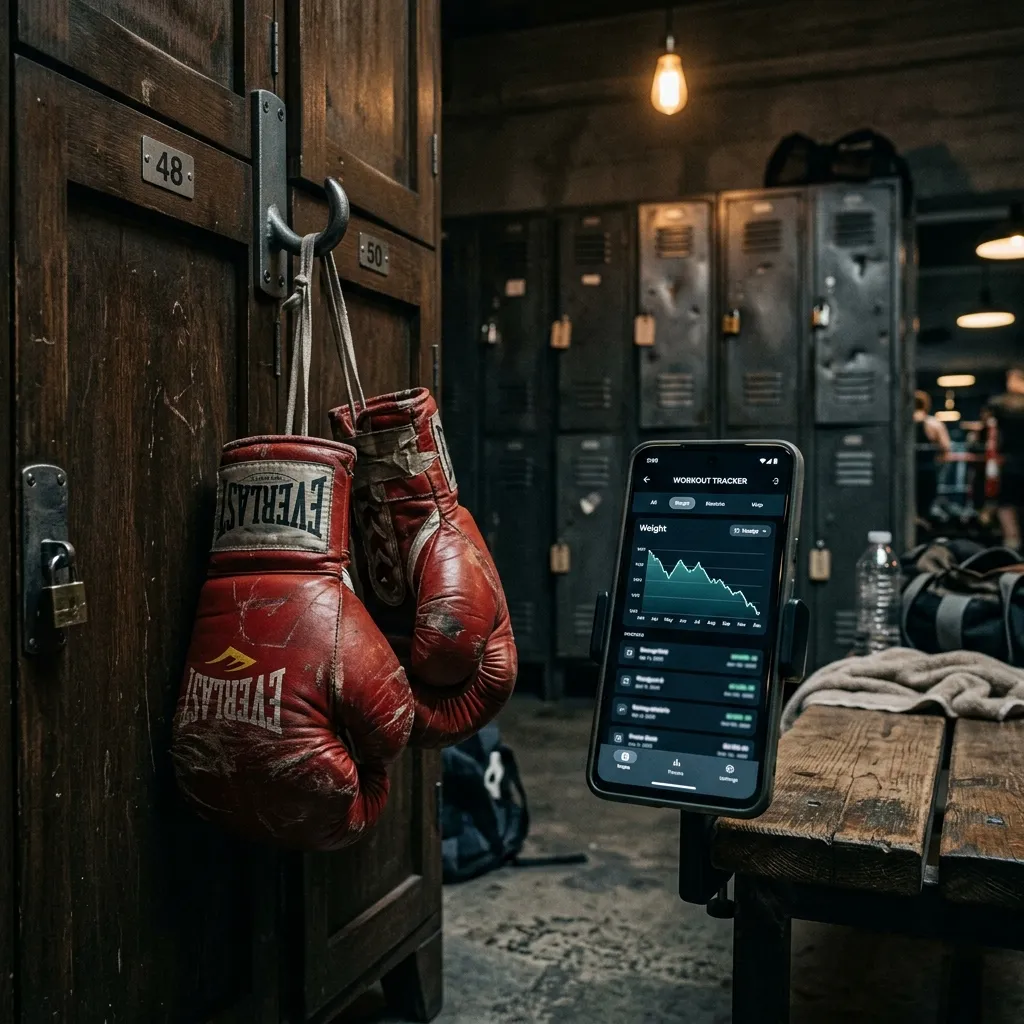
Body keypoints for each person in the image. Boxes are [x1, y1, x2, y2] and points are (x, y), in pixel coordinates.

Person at [988, 367, 1024, 549]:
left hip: (1011, 460)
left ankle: (1012, 539)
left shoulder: (1000, 404)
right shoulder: (1000, 404)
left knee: (1007, 503)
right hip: (1012, 459)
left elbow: (993, 435)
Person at [913, 390, 951, 522]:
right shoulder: (934, 424)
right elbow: (946, 447)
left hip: (908, 472)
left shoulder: (902, 424)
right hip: (928, 470)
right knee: (925, 507)